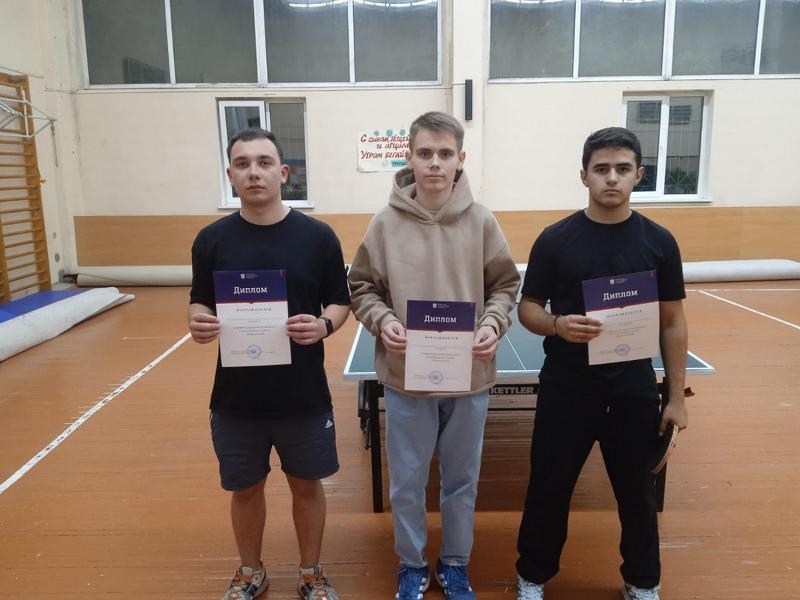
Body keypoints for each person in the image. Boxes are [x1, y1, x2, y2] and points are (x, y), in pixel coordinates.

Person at [348, 111, 520, 600]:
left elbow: (505, 286)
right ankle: (411, 564)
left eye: (445, 154)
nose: (435, 163)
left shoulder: (482, 220)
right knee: (407, 482)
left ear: (460, 158)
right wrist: (383, 320)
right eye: (425, 153)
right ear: (410, 158)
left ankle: (455, 563)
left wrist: (492, 324)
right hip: (406, 378)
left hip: (470, 377)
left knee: (462, 481)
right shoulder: (384, 223)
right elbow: (361, 287)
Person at [514, 127, 689, 600]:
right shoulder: (555, 240)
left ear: (639, 175)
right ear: (584, 176)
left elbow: (673, 322)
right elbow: (528, 308)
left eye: (622, 169)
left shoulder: (660, 242)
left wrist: (676, 398)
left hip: (632, 389)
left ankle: (642, 581)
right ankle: (532, 576)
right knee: (548, 488)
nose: (612, 177)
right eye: (602, 169)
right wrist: (557, 325)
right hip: (567, 387)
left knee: (638, 494)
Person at [189, 127, 350, 600]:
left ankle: (311, 572)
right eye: (242, 164)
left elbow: (340, 301)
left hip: (303, 394)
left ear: (283, 173)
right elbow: (199, 300)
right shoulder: (211, 240)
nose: (253, 172)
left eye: (263, 163)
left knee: (307, 486)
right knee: (245, 489)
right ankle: (250, 571)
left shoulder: (318, 236)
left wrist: (324, 325)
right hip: (236, 399)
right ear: (230, 175)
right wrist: (198, 322)